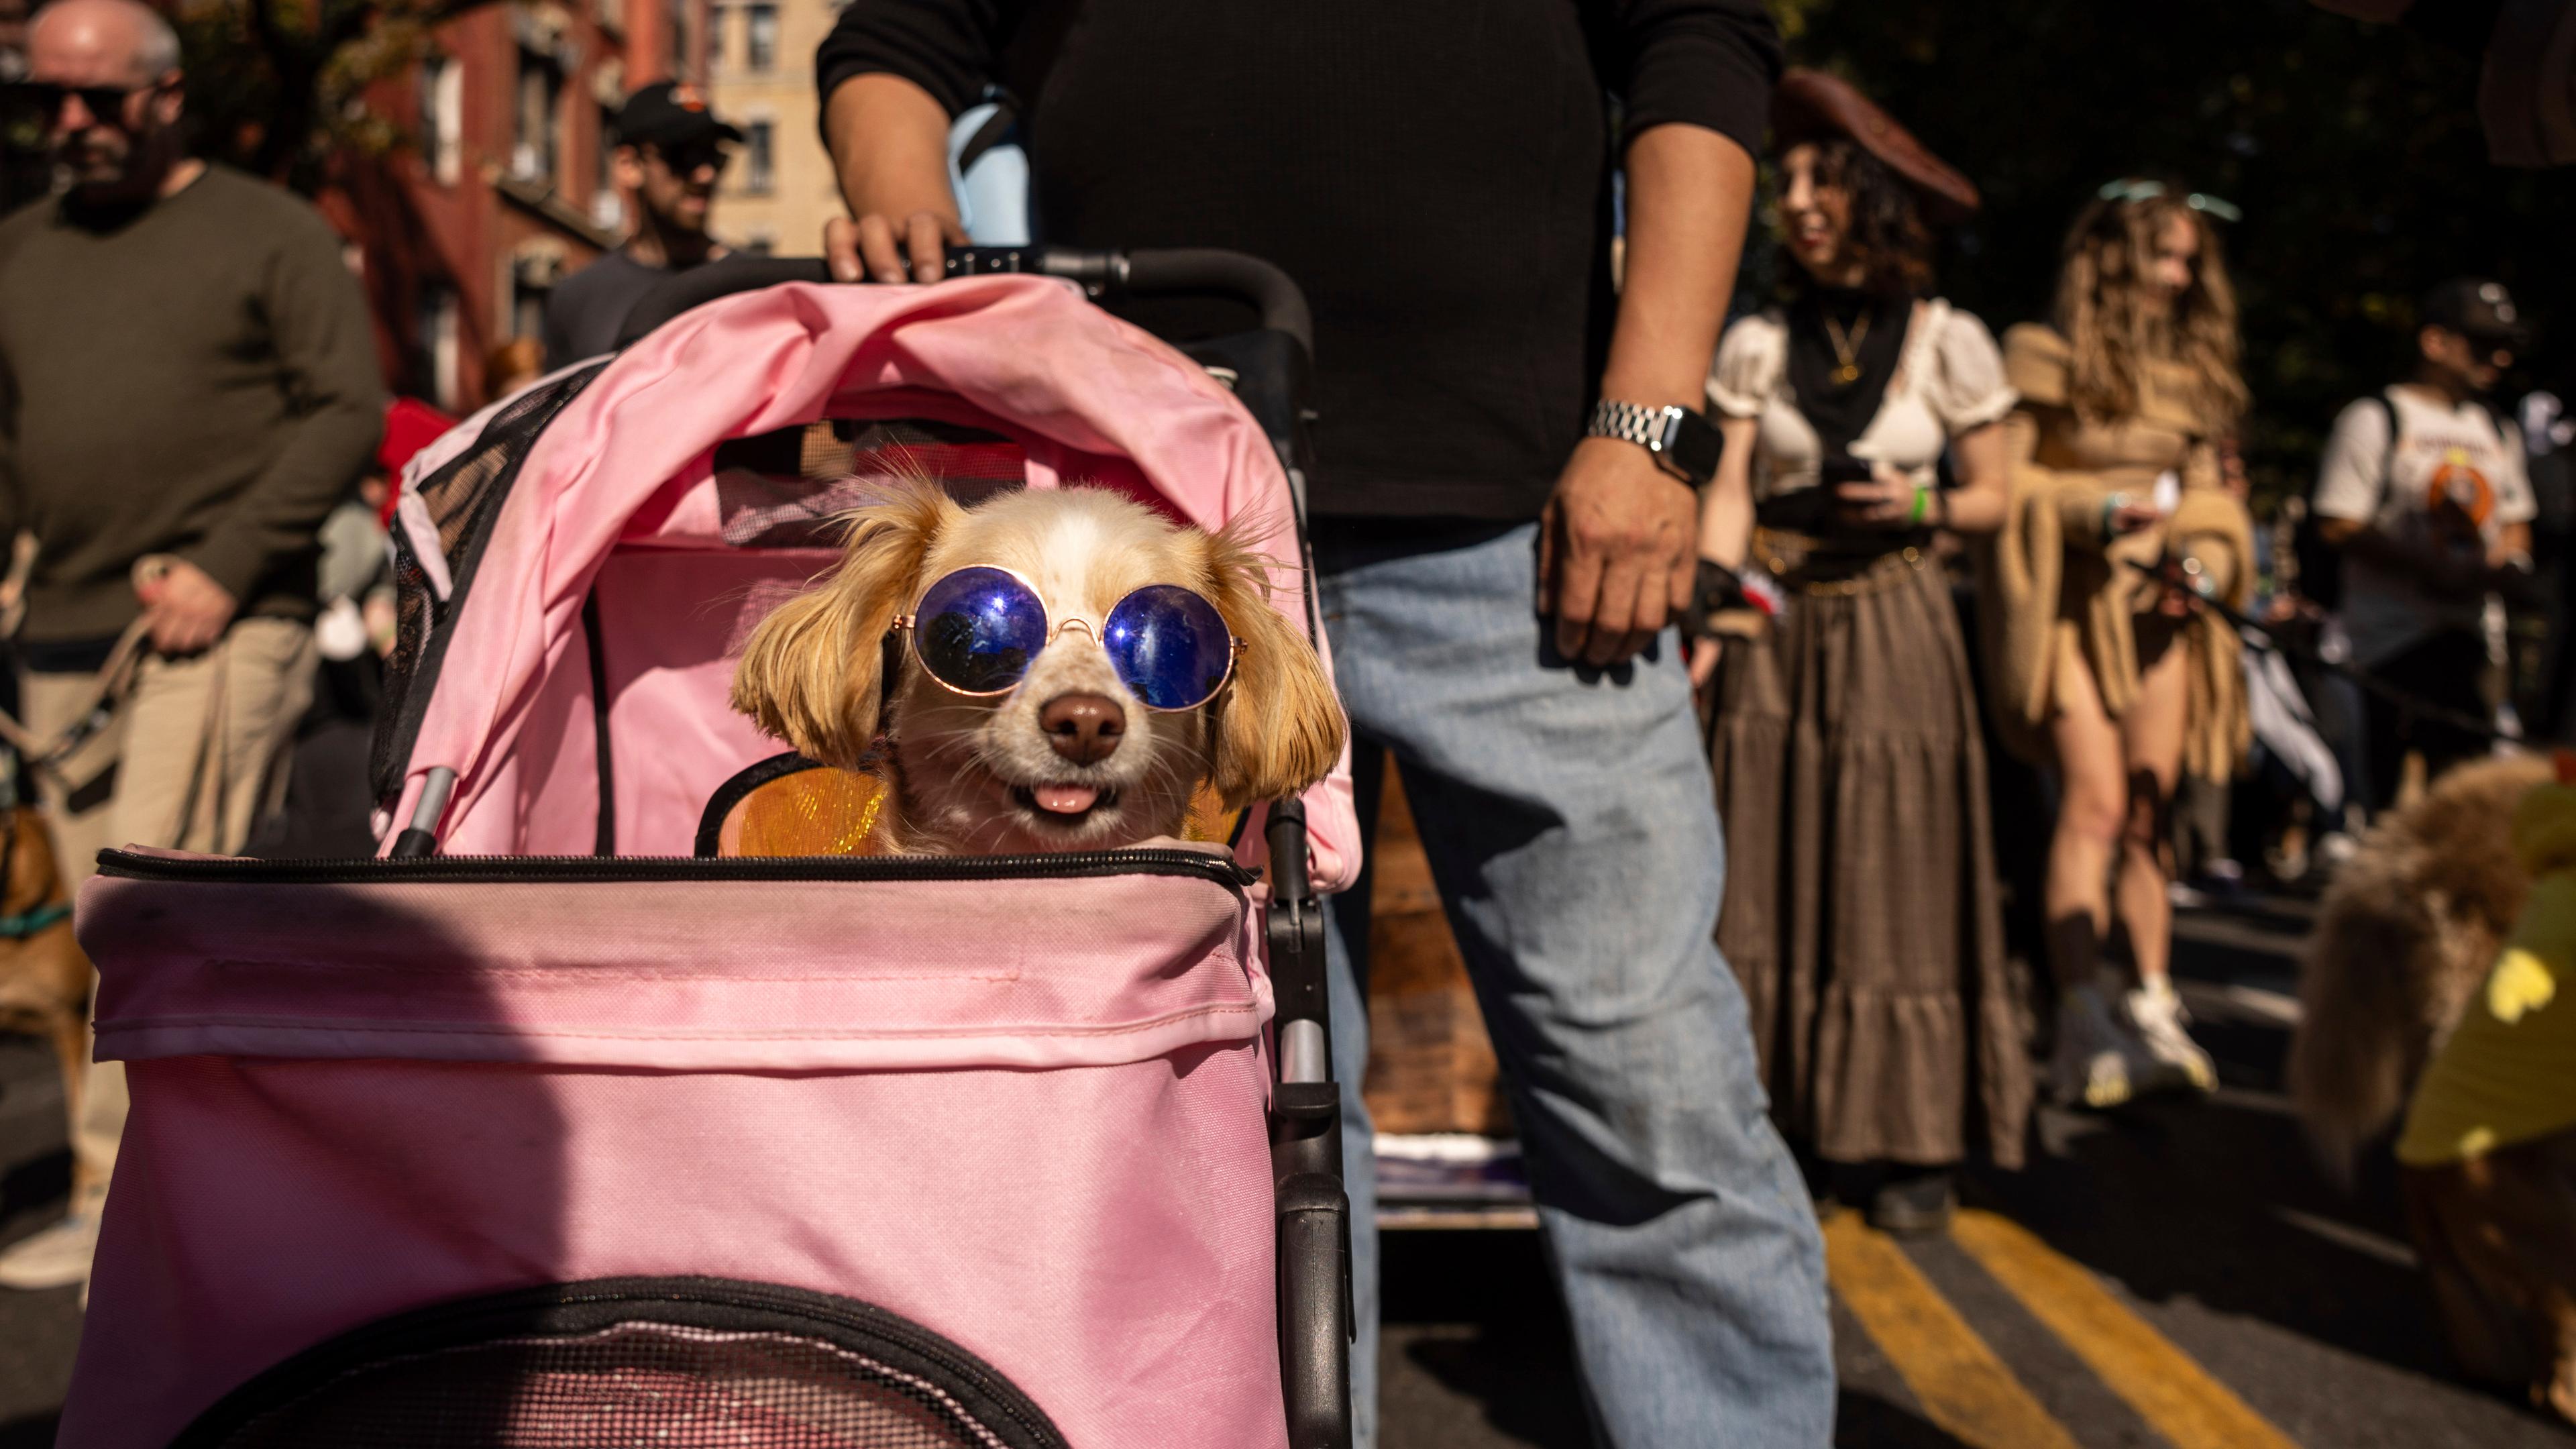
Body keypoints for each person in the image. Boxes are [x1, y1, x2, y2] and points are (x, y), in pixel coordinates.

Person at [812, 6, 1835, 1446]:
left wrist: (1652, 425)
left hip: (1526, 532)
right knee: (1236, 1121)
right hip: (1150, 550)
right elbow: (900, 39)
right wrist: (909, 217)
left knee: (1654, 1105)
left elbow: (1697, 42)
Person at [0, 0, 382, 1290]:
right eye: (46, 94)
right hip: (60, 637)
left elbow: (347, 412)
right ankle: (172, 1192)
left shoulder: (269, 233)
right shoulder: (19, 250)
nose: (70, 122)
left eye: (98, 98)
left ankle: (133, 1215)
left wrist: (226, 566)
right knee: (93, 929)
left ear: (167, 95)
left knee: (150, 917)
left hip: (215, 628)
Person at [1693, 71, 2029, 1234]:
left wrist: (1922, 501)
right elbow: (1731, 486)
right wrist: (1714, 602)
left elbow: (2000, 495)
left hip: (1897, 615)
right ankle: (1773, 1117)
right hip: (1777, 616)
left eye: (1822, 178)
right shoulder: (1757, 338)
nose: (1797, 199)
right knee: (1762, 856)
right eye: (1785, 180)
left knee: (1897, 865)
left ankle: (1905, 1135)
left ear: (1875, 198)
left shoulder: (1953, 340)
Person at [1981, 180, 2257, 1111]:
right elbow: (2005, 490)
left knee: (2149, 812)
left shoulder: (2200, 379)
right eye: (2162, 256)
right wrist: (2091, 510)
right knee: (2093, 806)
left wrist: (2208, 563)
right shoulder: (2039, 357)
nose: (2178, 278)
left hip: (2160, 613)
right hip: (2068, 608)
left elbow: (2218, 501)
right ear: (2111, 259)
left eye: (2189, 261)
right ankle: (2080, 1016)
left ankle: (2152, 1003)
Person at [2313, 278, 2536, 811]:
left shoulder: (2497, 430)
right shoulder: (2376, 418)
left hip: (2474, 642)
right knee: (2389, 806)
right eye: (2481, 343)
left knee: (2466, 808)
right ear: (2434, 342)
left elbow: (2515, 521)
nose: (2498, 358)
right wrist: (2427, 566)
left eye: (2504, 345)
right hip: (2390, 643)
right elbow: (2338, 519)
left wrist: (2506, 567)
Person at [539, 80, 742, 366]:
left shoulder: (754, 287)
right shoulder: (576, 298)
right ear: (629, 166)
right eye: (685, 156)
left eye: (714, 157)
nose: (706, 175)